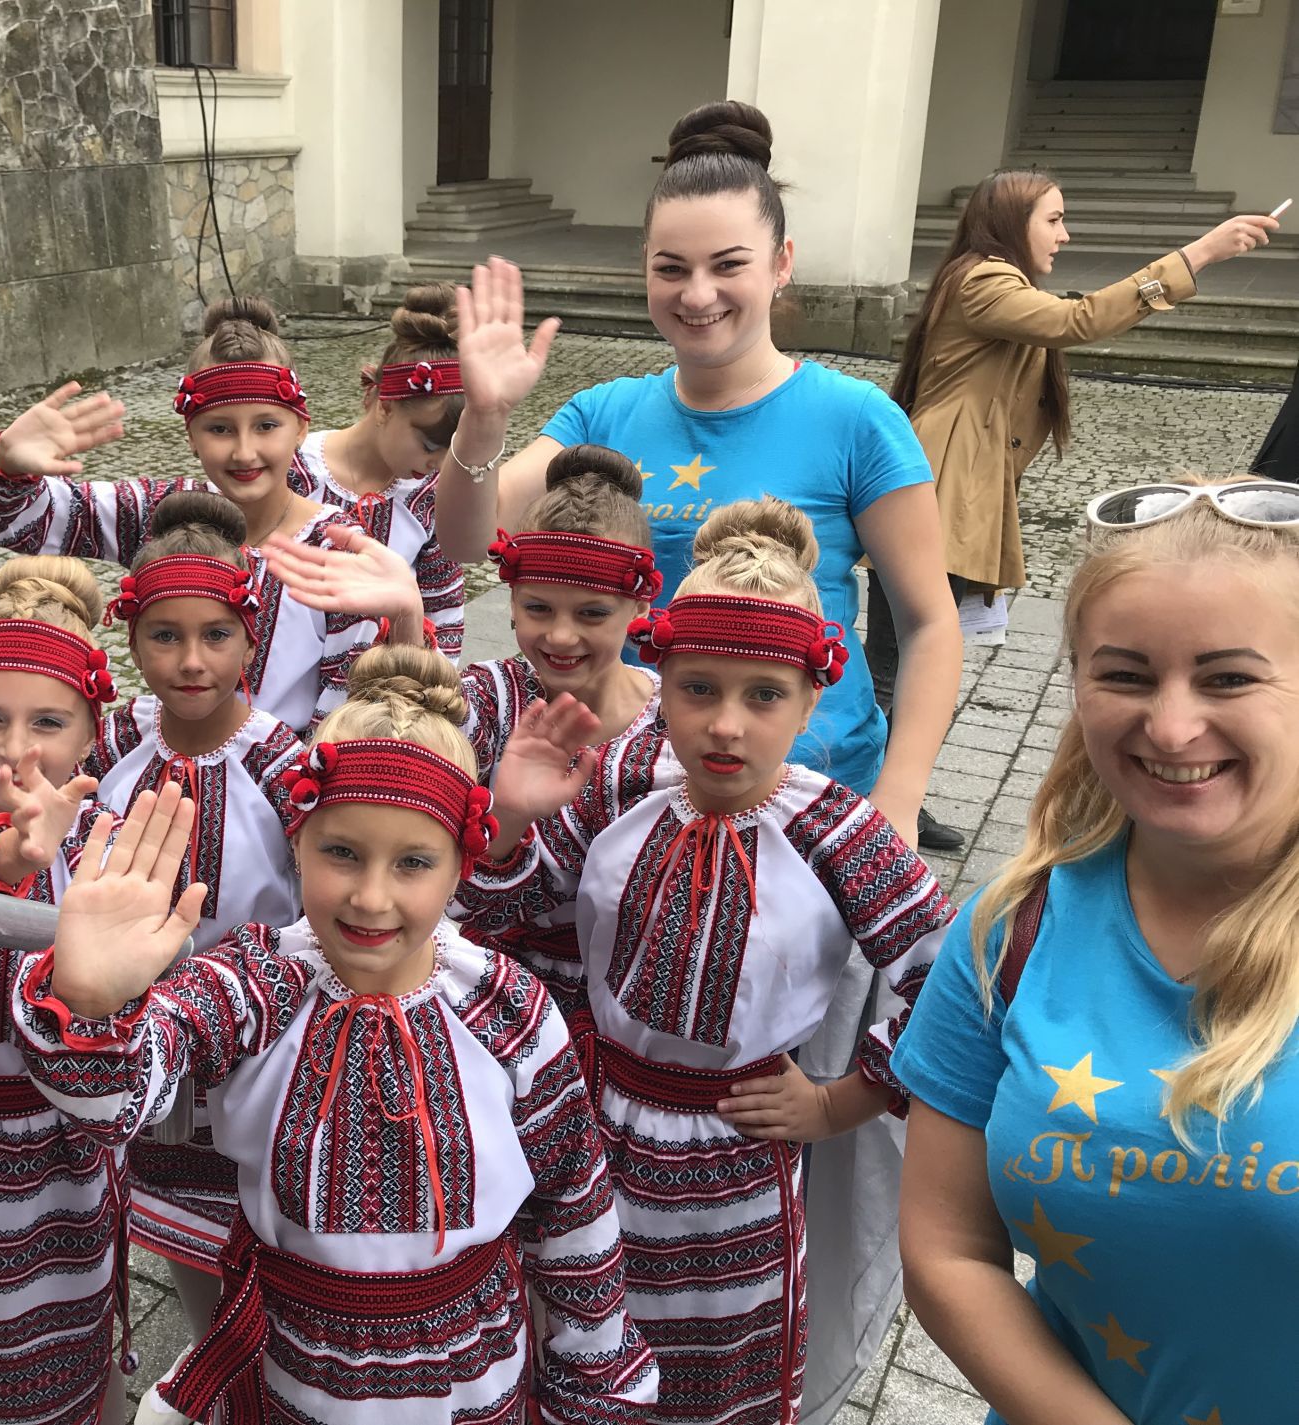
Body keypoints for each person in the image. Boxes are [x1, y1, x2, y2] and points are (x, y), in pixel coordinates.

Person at [13, 647, 661, 1422]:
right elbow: (117, 1095)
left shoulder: (506, 1008)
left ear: (462, 863)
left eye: (413, 861)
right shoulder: (258, 981)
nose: (371, 896)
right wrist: (89, 999)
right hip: (291, 1370)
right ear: (298, 840)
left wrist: (593, 1381)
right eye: (342, 852)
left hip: (471, 1382)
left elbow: (573, 1202)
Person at [462, 496, 952, 1424]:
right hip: (589, 1133)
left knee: (714, 1370)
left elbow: (952, 987)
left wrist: (838, 1103)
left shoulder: (838, 830)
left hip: (735, 1169)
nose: (727, 724)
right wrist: (511, 817)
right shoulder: (621, 778)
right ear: (663, 678)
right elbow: (497, 908)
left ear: (811, 699)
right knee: (578, 1338)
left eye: (763, 695)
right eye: (699, 688)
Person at [433, 99, 961, 855]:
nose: (698, 294)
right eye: (671, 268)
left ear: (781, 263)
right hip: (628, 793)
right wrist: (484, 417)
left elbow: (930, 623)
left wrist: (899, 798)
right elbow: (465, 539)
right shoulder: (603, 412)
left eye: (728, 265)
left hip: (807, 795)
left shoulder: (857, 420)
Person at [893, 478, 1299, 1424]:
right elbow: (948, 1250)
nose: (1172, 725)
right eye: (1125, 675)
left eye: (1228, 678)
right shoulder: (1010, 928)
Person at [874, 169, 1278, 775]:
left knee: (915, 653)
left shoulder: (988, 278)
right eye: (1054, 220)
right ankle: (871, 796)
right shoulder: (984, 279)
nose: (1064, 235)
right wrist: (1199, 254)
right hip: (942, 486)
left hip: (957, 483)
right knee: (904, 659)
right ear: (1013, 223)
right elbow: (1077, 321)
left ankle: (884, 789)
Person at [83, 491, 306, 1422]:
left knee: (274, 1251)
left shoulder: (286, 763)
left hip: (262, 1055)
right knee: (184, 1242)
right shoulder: (110, 741)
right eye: (165, 635)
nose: (191, 661)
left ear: (251, 635)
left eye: (216, 635)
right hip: (148, 1051)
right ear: (131, 633)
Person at [0, 298, 419, 732]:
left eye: (266, 425)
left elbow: (346, 696)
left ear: (300, 428)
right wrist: (6, 464)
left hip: (292, 775)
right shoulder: (162, 513)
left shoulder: (334, 546)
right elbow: (18, 519)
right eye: (220, 429)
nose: (244, 452)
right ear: (191, 436)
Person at [0, 553, 129, 1425]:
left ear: (91, 731)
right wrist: (3, 860)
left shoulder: (108, 841)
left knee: (67, 1332)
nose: (14, 747)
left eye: (47, 720)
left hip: (61, 1144)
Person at [458, 442, 668, 1024]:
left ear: (640, 605)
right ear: (510, 600)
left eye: (592, 613)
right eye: (539, 608)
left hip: (629, 1011)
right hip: (488, 997)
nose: (561, 636)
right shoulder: (484, 703)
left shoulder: (676, 728)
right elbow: (438, 886)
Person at [284, 284, 469, 662]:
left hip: (383, 688)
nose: (437, 463)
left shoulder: (429, 496)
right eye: (429, 445)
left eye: (449, 450)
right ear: (385, 407)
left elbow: (444, 615)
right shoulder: (293, 467)